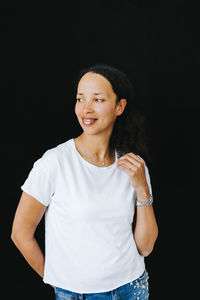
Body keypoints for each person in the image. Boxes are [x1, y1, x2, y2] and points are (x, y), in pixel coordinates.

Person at [11, 64, 158, 300]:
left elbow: (145, 247)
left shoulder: (134, 165)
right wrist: (61, 285)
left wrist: (142, 189)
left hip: (133, 287)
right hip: (79, 295)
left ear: (119, 106)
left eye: (98, 99)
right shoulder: (54, 163)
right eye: (80, 99)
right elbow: (20, 233)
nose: (86, 109)